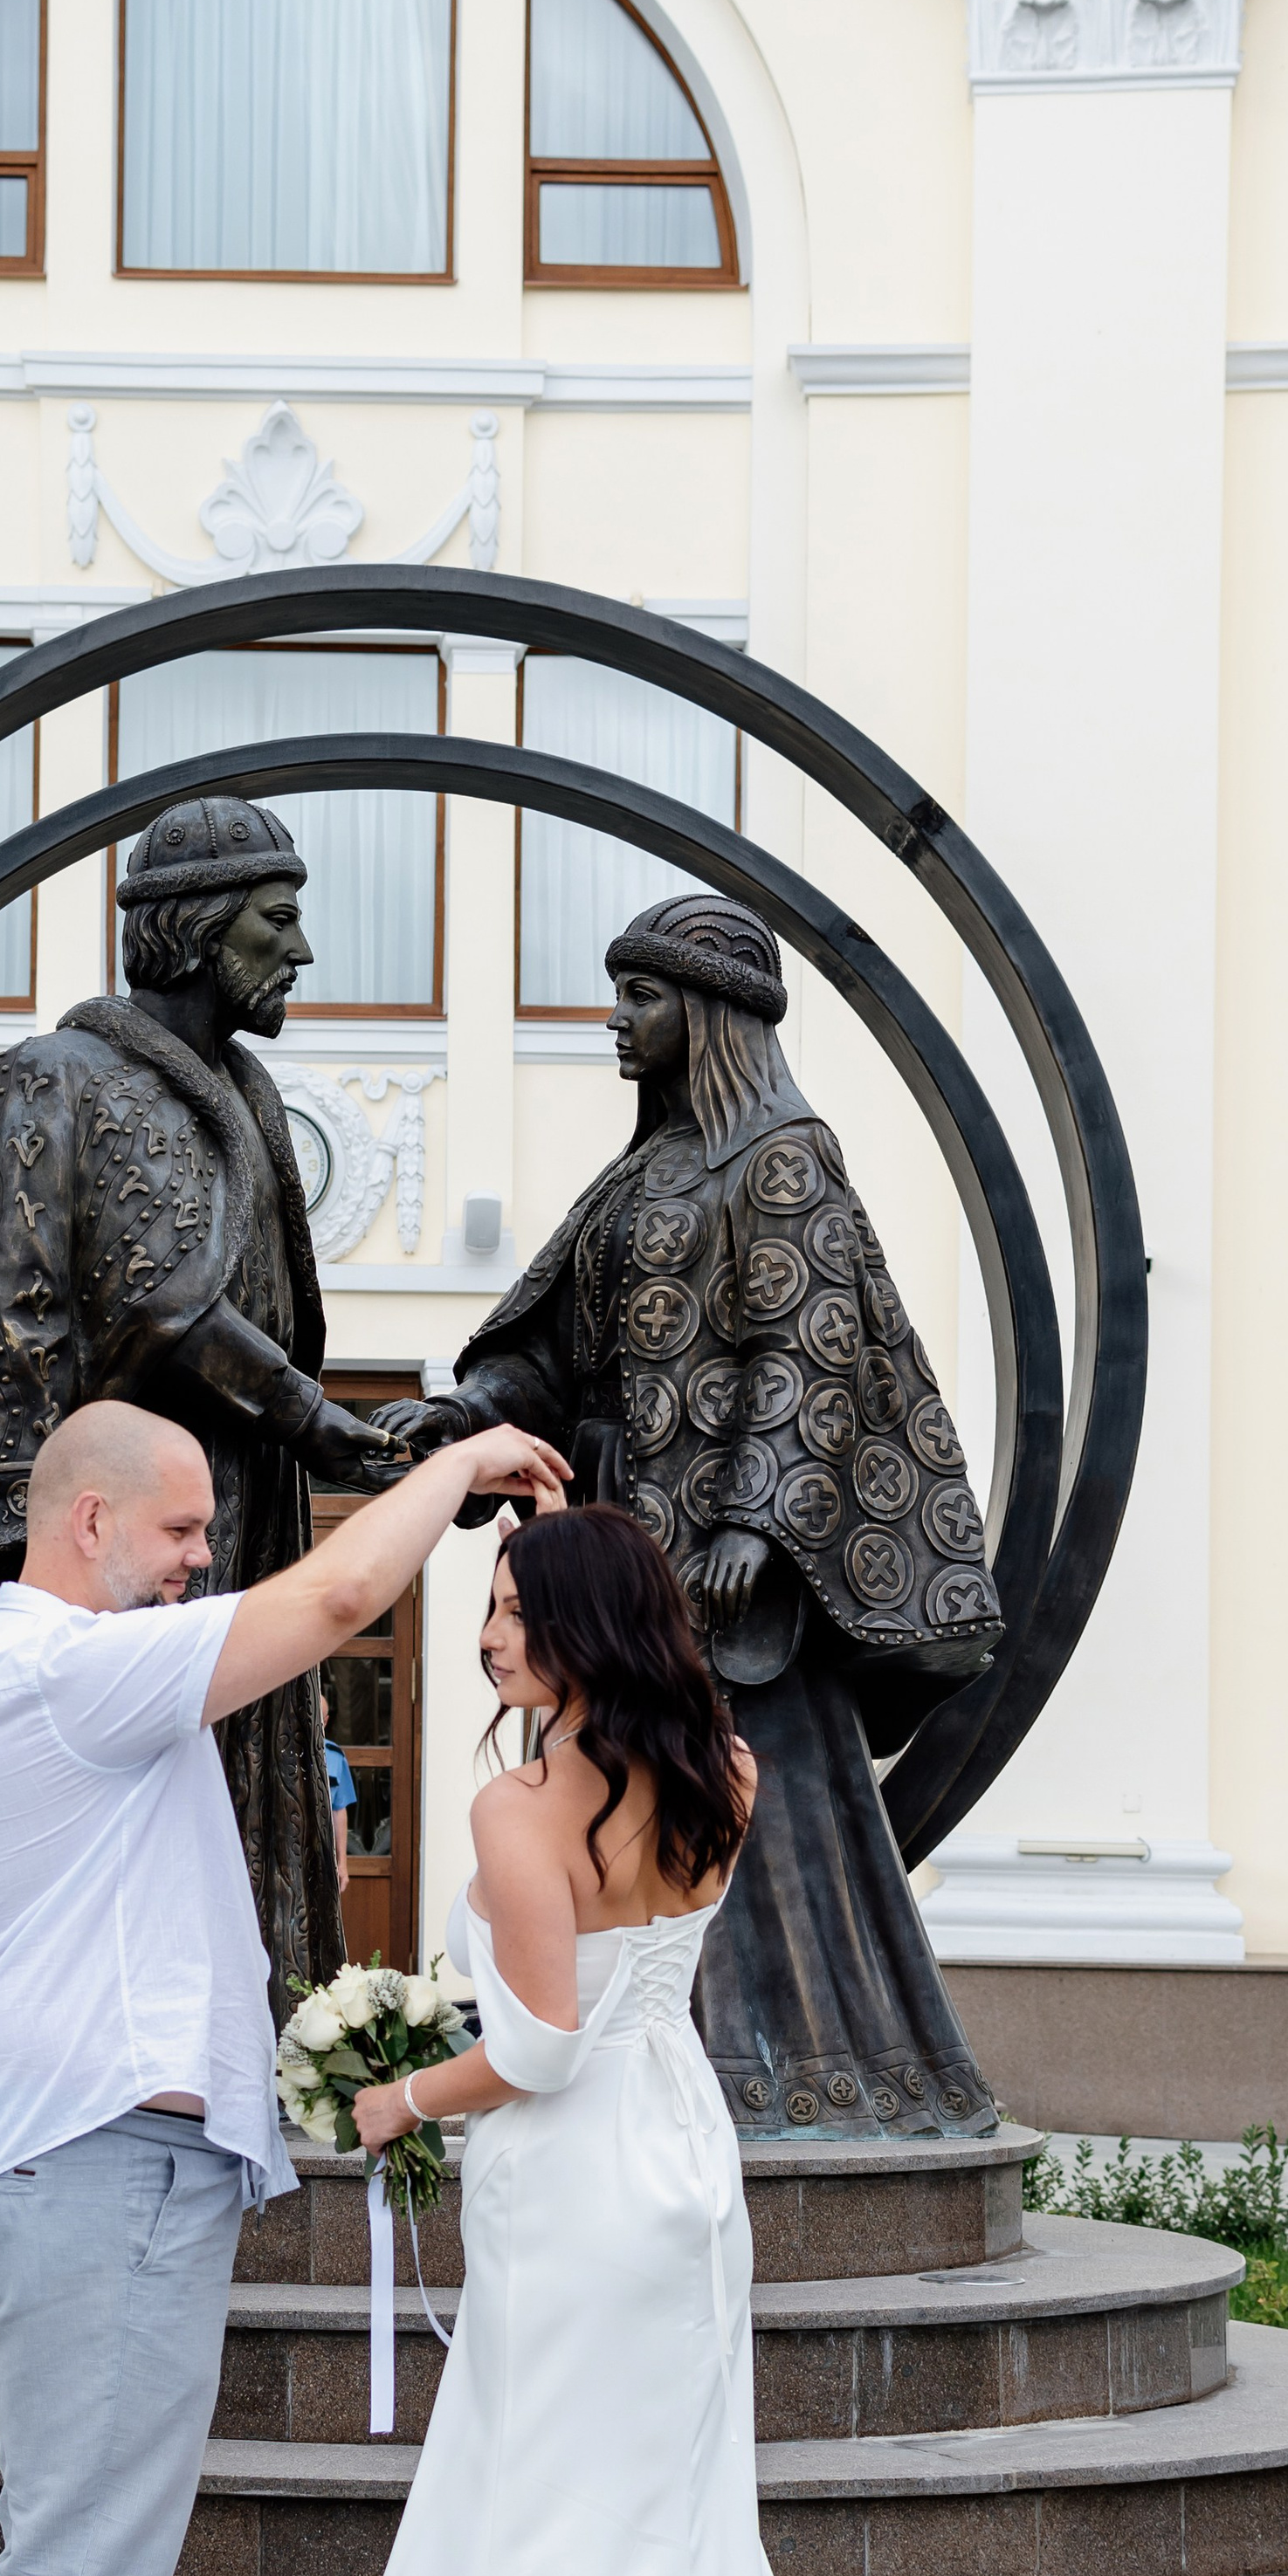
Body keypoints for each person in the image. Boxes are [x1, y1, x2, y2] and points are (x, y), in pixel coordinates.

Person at [231, 1504, 943, 2576]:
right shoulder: (728, 1777)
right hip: (685, 2165)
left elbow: (542, 2050)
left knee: (543, 2541)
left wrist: (403, 2095)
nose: (489, 1636)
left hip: (576, 2187)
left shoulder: (516, 1809)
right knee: (672, 2545)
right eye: (487, 1610)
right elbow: (631, 1997)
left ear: (580, 1629)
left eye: (509, 1610)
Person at [0, 1393, 569, 2576]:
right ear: (89, 1528)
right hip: (89, 2174)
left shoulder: (64, 1679)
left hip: (110, 2173)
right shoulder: (64, 1670)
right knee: (78, 2568)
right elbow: (342, 1602)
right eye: (185, 1533)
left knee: (105, 2563)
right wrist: (450, 1468)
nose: (205, 1561)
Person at [368, 895, 1002, 2141]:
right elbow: (549, 1346)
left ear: (710, 1015)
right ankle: (612, 2040)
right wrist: (470, 1415)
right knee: (621, 1794)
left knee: (736, 1802)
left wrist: (755, 1529)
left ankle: (801, 2075)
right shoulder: (642, 1173)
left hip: (724, 1571)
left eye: (641, 997)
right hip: (622, 1542)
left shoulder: (782, 1154)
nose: (616, 1018)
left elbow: (810, 1350)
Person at [0, 793, 403, 2113]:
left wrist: (327, 1431)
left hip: (230, 1515)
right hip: (79, 1538)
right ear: (196, 932)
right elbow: (87, 1310)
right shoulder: (54, 1078)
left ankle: (250, 2038)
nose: (301, 953)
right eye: (279, 920)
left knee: (231, 1796)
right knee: (42, 1792)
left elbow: (250, 1314)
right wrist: (47, 1529)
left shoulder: (249, 1098)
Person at [320, 1693, 355, 1905]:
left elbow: (339, 1809)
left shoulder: (335, 1756)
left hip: (322, 1854)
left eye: (317, 1716)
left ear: (325, 1721)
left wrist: (342, 1863)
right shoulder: (282, 1753)